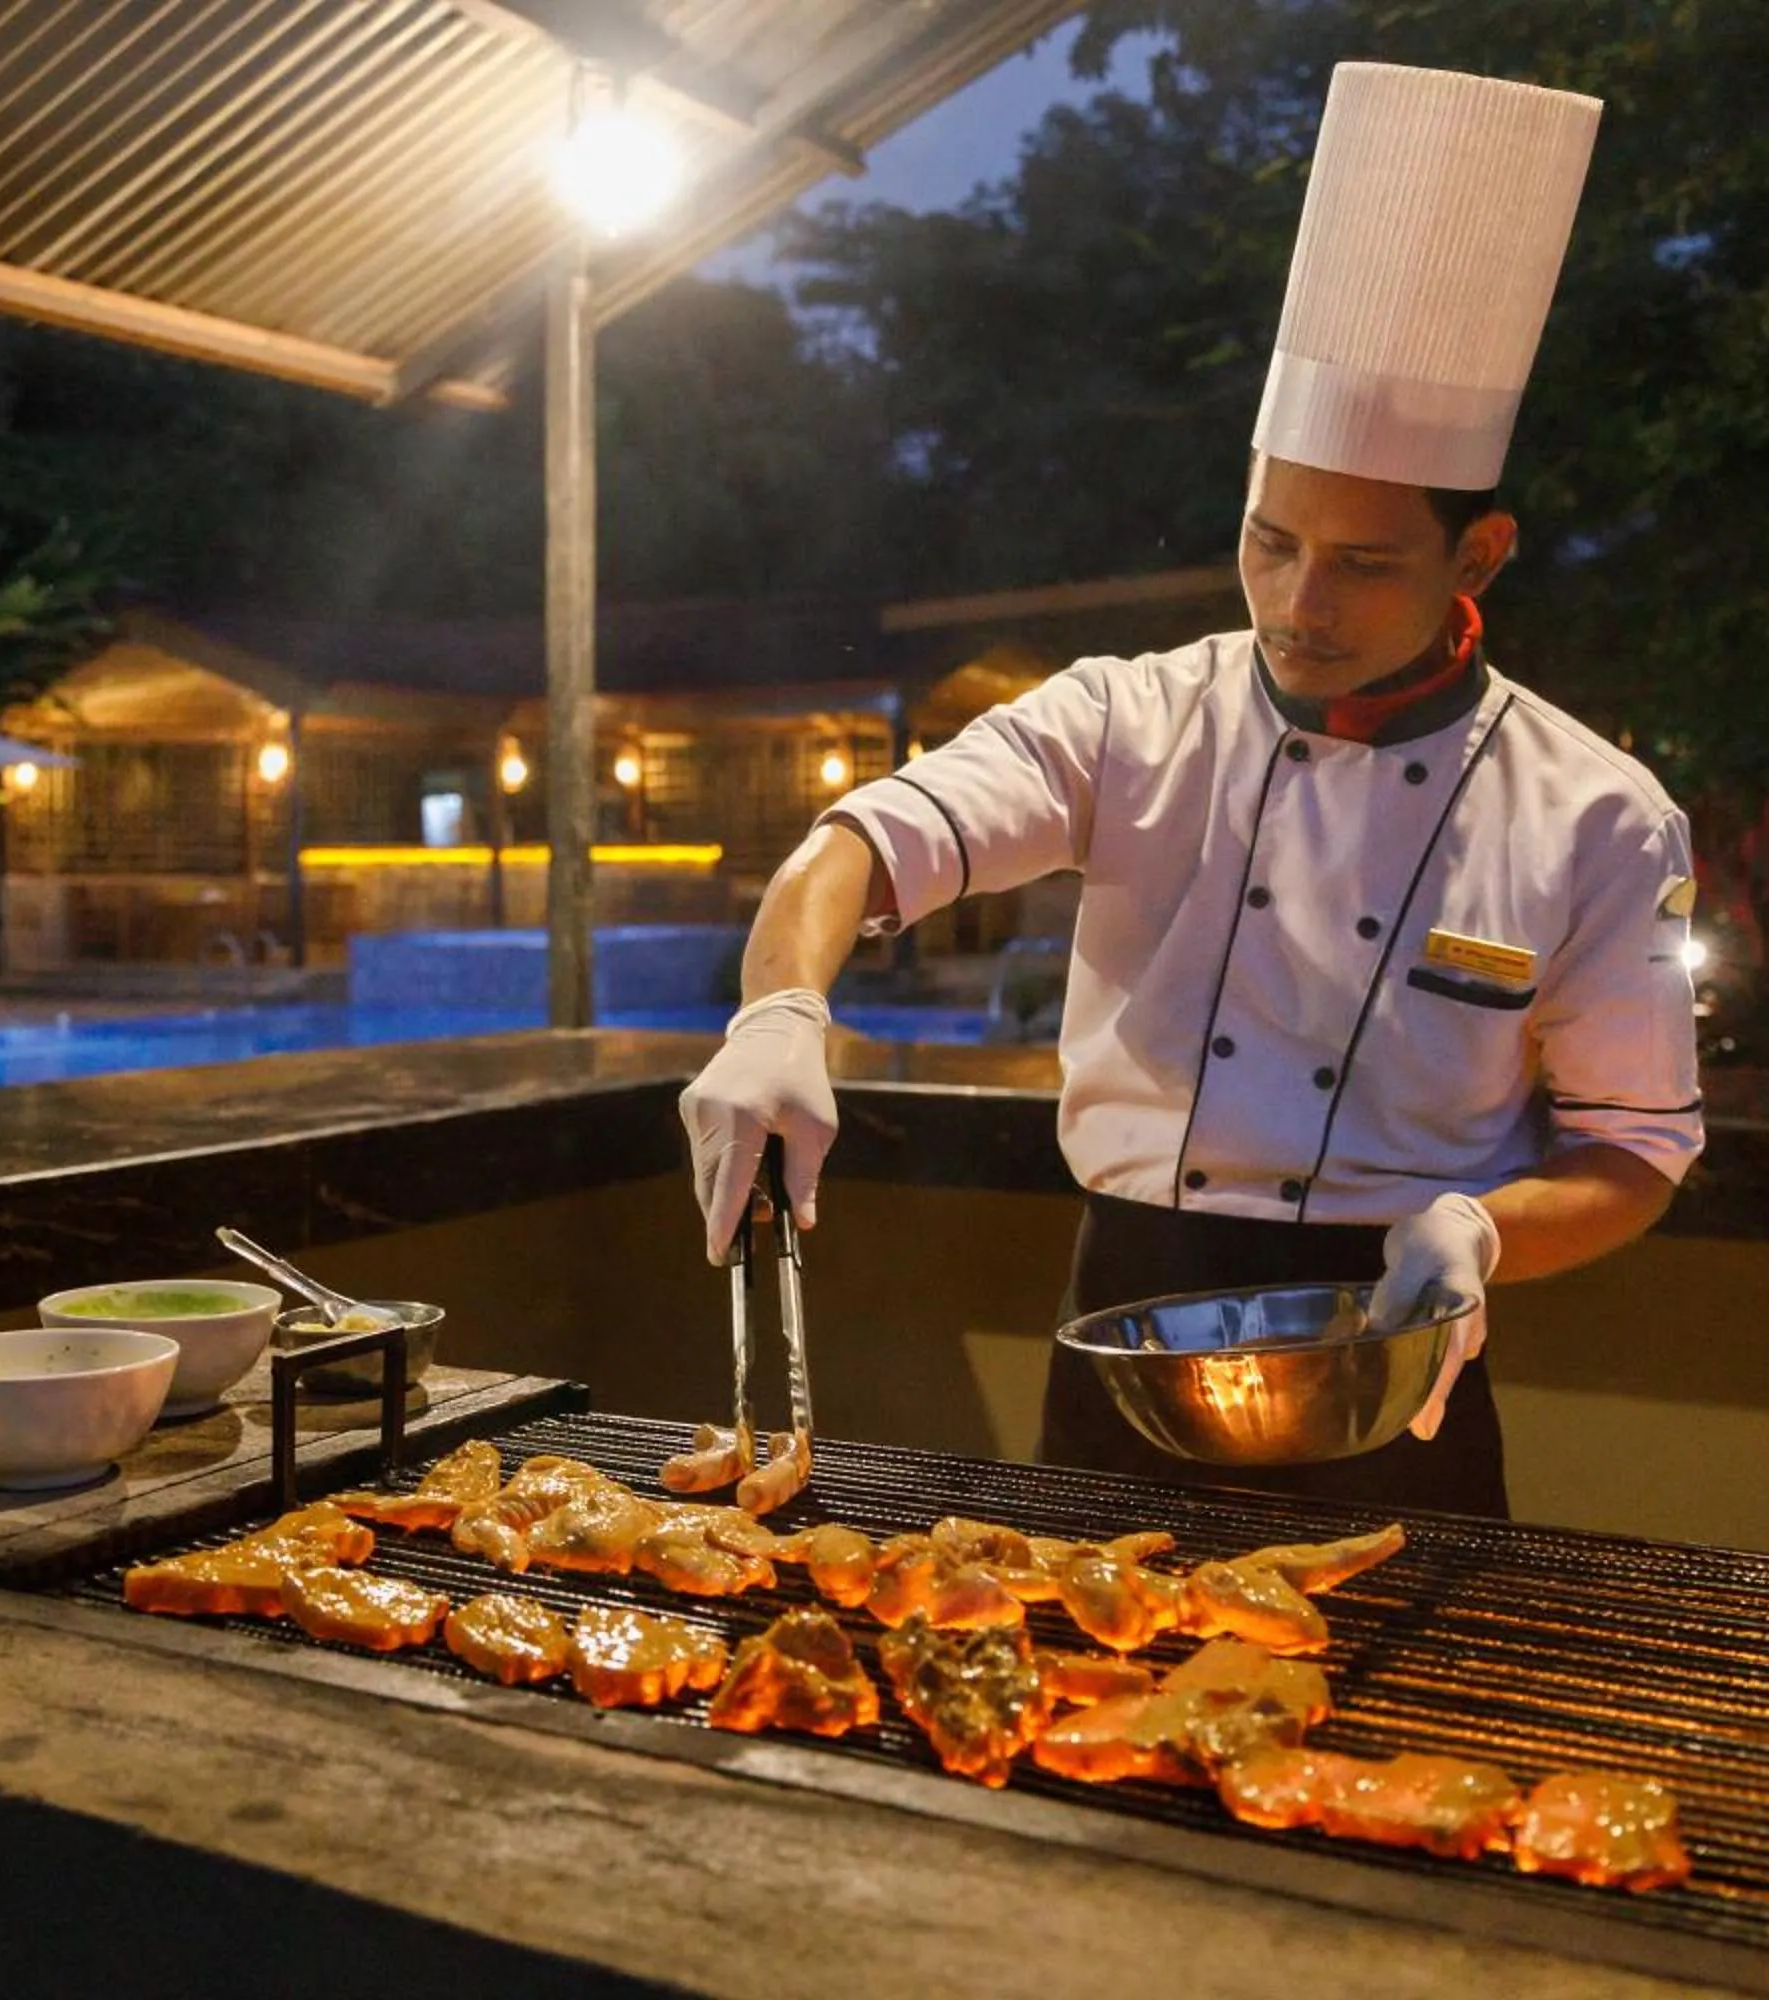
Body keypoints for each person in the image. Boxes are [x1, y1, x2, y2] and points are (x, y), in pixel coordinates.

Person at [676, 64, 1705, 1519]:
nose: (1297, 602)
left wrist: (1483, 1228)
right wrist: (781, 1010)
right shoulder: (1128, 717)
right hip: (1128, 1329)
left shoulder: (1599, 816)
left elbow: (1638, 1149)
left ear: (1476, 560)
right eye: (1270, 541)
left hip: (1394, 1346)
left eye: (1362, 564)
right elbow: (861, 841)